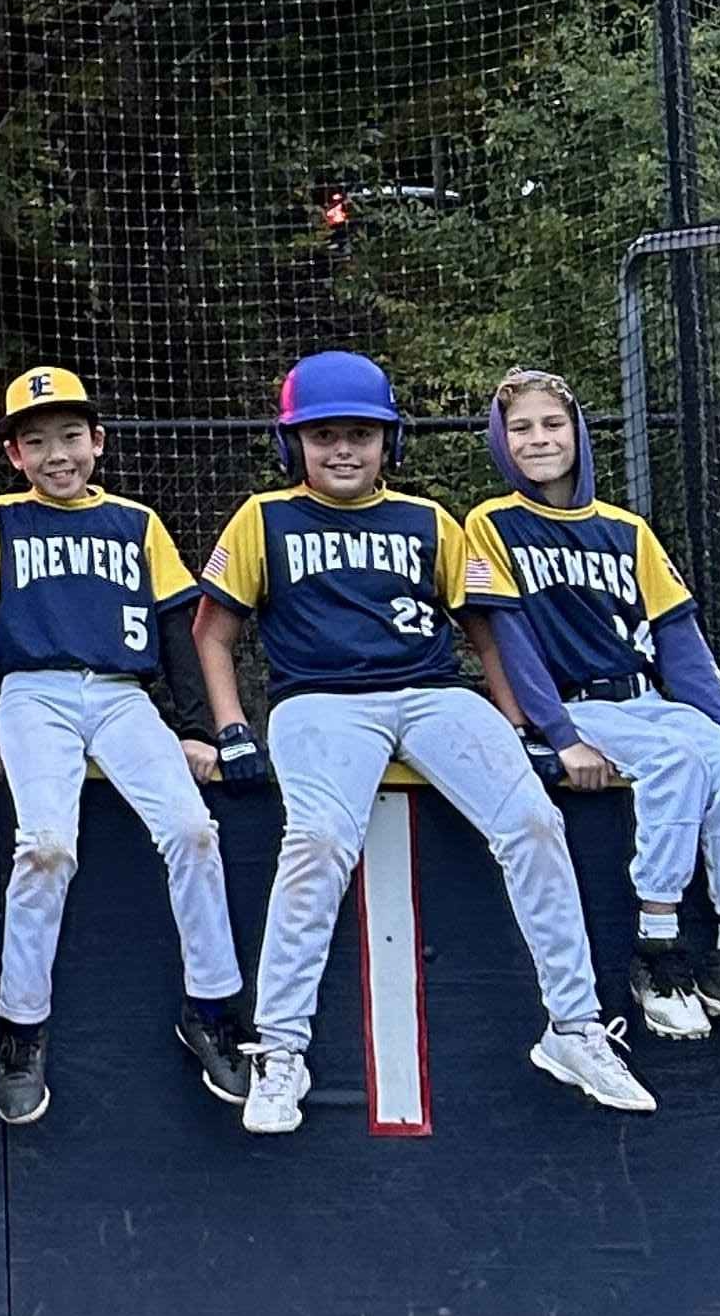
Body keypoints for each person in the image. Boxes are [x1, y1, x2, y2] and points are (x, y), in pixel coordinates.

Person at [197, 350, 653, 1134]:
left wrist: (518, 724)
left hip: (433, 693)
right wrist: (232, 728)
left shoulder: (428, 520)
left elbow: (482, 630)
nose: (343, 450)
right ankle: (279, 1050)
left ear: (390, 443)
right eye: (323, 435)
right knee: (318, 843)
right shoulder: (263, 516)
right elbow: (214, 631)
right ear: (291, 445)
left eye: (362, 435)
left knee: (534, 823)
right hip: (321, 702)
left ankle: (575, 1029)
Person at [0, 364, 251, 1128]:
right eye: (38, 441)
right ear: (14, 454)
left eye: (72, 437)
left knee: (193, 830)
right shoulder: (0, 519)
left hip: (122, 695)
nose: (58, 454)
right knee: (46, 846)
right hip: (32, 693)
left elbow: (183, 628)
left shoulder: (136, 521)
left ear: (98, 441)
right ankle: (22, 1029)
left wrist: (197, 727)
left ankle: (211, 1009)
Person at [461, 365, 720, 1049]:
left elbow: (679, 642)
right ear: (500, 441)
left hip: (647, 700)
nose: (539, 438)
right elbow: (509, 638)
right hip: (579, 705)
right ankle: (658, 950)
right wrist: (554, 734)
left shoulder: (628, 529)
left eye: (553, 424)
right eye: (521, 428)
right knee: (674, 763)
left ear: (578, 433)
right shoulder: (492, 523)